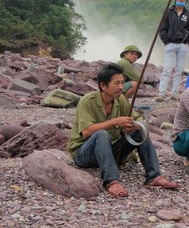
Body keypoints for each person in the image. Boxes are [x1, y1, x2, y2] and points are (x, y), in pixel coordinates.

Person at [67, 63, 178, 198]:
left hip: (110, 152)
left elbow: (139, 120)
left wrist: (135, 126)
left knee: (140, 132)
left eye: (122, 83)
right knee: (101, 134)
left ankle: (154, 176)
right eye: (116, 83)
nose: (121, 87)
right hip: (84, 155)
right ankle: (111, 181)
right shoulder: (87, 101)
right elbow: (86, 132)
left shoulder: (121, 100)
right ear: (103, 86)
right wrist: (114, 122)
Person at [157, 0, 189, 101]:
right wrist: (166, 41)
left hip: (182, 46)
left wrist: (188, 41)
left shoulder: (188, 15)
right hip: (170, 45)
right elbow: (162, 28)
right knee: (167, 69)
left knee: (179, 70)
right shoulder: (168, 12)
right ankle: (161, 93)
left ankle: (174, 93)